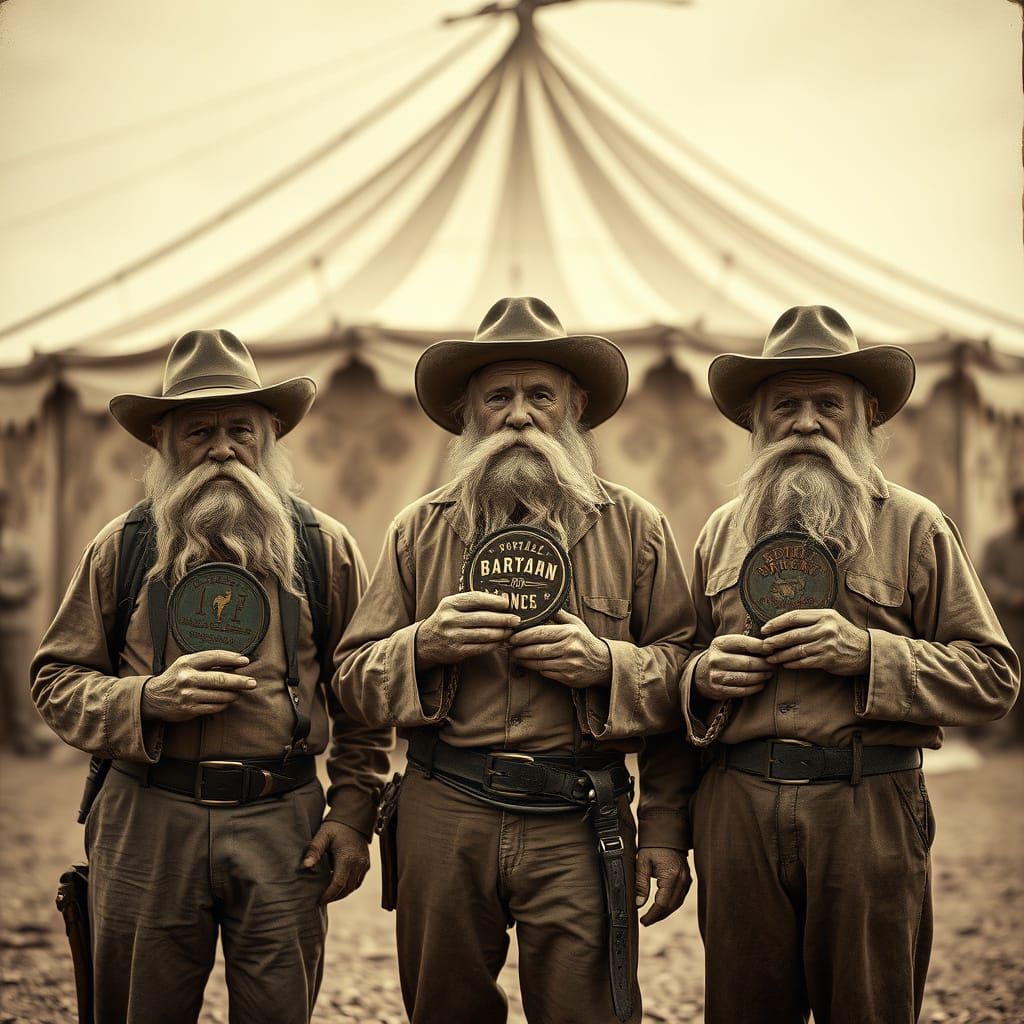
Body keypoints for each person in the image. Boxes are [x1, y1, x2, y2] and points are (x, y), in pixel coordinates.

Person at [336, 296, 698, 1024]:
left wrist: (607, 666)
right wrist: (423, 645)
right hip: (446, 811)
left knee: (585, 1012)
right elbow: (352, 681)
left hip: (579, 813)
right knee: (443, 1010)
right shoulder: (420, 529)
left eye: (541, 395)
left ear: (577, 406)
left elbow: (687, 677)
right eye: (499, 397)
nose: (520, 415)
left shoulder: (635, 529)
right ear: (470, 413)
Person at [31, 329, 391, 1024]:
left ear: (271, 437)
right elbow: (55, 679)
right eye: (199, 433)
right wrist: (145, 699)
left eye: (240, 431)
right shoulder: (123, 546)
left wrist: (351, 814)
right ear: (163, 445)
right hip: (145, 819)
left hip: (283, 821)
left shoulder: (325, 548)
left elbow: (364, 697)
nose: (223, 450)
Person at [680, 305, 1020, 1024]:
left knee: (868, 1006)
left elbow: (993, 677)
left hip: (867, 804)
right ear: (756, 422)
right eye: (786, 407)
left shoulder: (915, 525)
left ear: (867, 415)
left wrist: (867, 655)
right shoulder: (718, 532)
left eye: (827, 404)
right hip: (737, 807)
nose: (806, 422)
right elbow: (676, 672)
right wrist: (703, 678)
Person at [0, 487, 51, 755]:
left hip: (13, 627)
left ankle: (24, 737)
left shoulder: (18, 546)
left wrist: (6, 590)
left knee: (18, 684)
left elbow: (33, 582)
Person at [981, 484, 1024, 742]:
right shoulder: (998, 544)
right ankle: (1005, 735)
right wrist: (1011, 596)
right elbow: (987, 578)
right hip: (1011, 622)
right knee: (1011, 673)